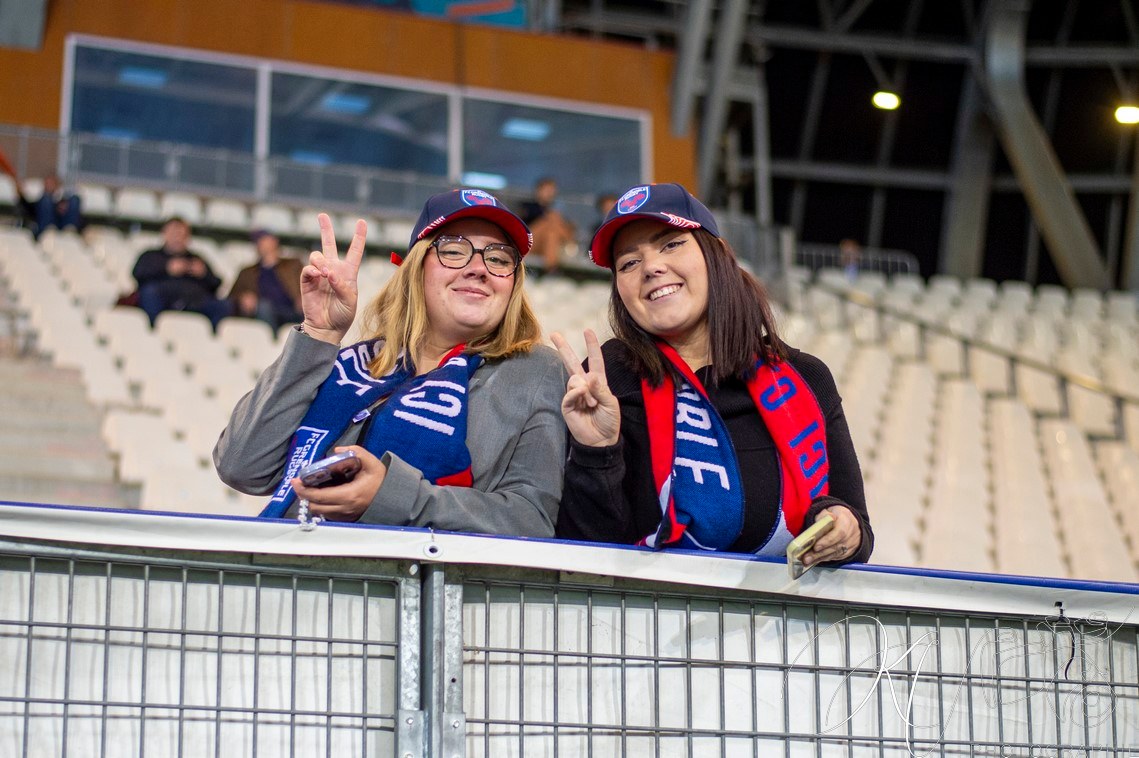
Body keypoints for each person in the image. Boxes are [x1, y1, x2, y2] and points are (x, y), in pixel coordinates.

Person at [553, 183, 872, 569]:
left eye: (670, 244)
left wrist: (842, 527)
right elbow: (583, 552)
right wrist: (596, 452)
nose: (652, 267)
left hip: (781, 624)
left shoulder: (805, 379)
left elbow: (857, 528)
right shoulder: (608, 379)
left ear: (716, 254)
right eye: (629, 263)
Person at [214, 188, 567, 536]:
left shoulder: (535, 370)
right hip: (295, 578)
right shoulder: (361, 363)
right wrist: (318, 336)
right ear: (416, 269)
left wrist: (393, 495)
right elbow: (241, 466)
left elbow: (530, 520)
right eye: (455, 250)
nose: (478, 268)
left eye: (498, 258)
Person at [131, 217, 229, 328]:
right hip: (163, 300)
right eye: (174, 233)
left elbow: (216, 285)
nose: (177, 238)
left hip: (194, 304)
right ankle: (154, 330)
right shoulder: (151, 255)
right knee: (149, 292)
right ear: (165, 234)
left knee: (222, 305)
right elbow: (138, 274)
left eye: (182, 234)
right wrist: (166, 268)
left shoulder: (196, 259)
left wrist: (204, 274)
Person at [227, 229, 304, 329]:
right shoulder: (247, 272)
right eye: (257, 240)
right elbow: (231, 296)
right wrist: (243, 298)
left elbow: (307, 284)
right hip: (262, 311)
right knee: (264, 307)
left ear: (274, 241)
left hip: (292, 310)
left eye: (263, 239)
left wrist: (303, 298)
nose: (259, 243)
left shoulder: (293, 265)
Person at [519, 177, 575, 275]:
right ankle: (570, 246)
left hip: (546, 244)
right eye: (547, 190)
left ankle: (551, 268)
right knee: (552, 219)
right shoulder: (528, 206)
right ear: (538, 191)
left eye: (552, 191)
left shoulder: (555, 211)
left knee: (552, 232)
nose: (549, 193)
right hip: (529, 243)